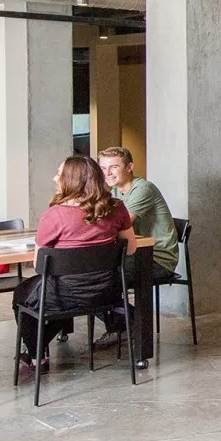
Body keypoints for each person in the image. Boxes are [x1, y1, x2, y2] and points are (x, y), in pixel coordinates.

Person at [15, 156, 136, 381]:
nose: (55, 178)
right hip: (106, 292)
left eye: (59, 174)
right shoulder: (117, 207)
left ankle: (37, 358)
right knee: (54, 295)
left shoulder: (54, 214)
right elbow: (130, 249)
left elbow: (39, 264)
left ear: (72, 180)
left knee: (23, 295)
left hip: (63, 295)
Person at [96, 146, 178, 346]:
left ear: (129, 167)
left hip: (157, 259)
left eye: (114, 167)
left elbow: (117, 226)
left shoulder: (142, 189)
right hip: (135, 254)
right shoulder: (116, 191)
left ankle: (132, 324)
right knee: (91, 276)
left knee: (96, 278)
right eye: (103, 168)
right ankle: (126, 324)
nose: (107, 173)